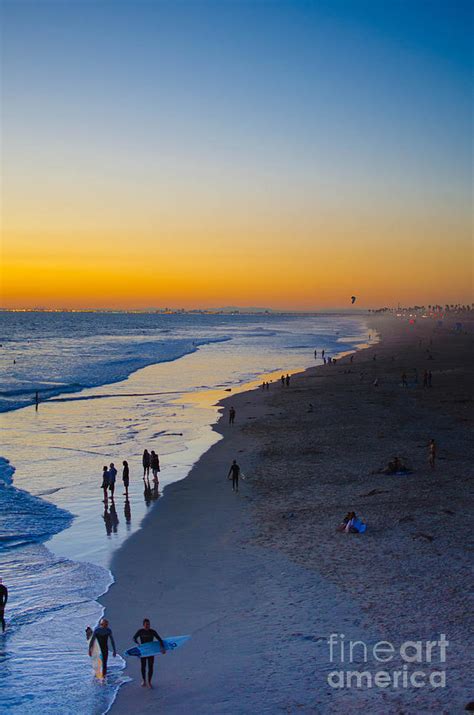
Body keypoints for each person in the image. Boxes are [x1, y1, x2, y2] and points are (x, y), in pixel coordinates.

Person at [133, 618, 166, 688]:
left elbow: (160, 639)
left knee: (150, 666)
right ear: (143, 625)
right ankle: (144, 680)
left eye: (148, 624)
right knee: (143, 666)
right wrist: (137, 643)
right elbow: (134, 638)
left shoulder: (152, 631)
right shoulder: (140, 631)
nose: (148, 626)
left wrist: (162, 648)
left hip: (151, 651)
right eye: (146, 624)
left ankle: (149, 682)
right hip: (143, 652)